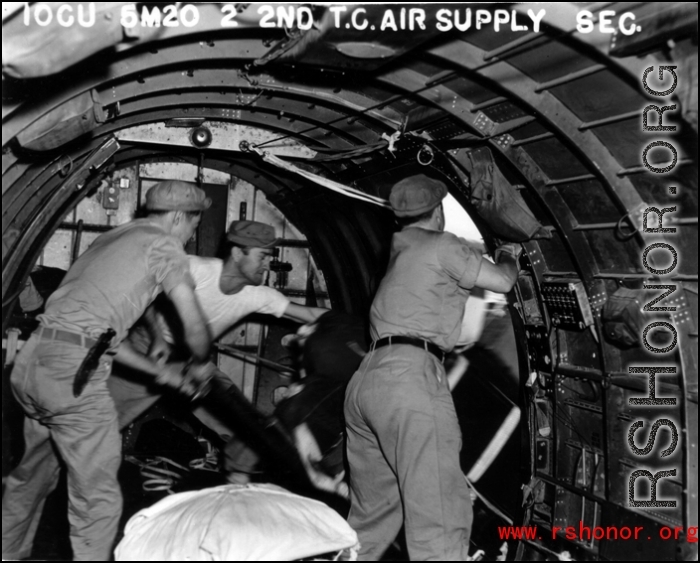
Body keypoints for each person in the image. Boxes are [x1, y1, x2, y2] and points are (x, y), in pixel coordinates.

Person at [1, 181, 214, 561]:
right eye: (193, 226)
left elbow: (94, 334)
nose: (190, 235)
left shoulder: (114, 238)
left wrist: (157, 360)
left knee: (31, 477)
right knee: (97, 499)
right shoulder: (166, 246)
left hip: (34, 363)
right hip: (73, 377)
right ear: (180, 217)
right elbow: (194, 326)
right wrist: (198, 364)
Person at [343, 174, 520, 561]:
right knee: (438, 511)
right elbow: (503, 282)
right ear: (438, 211)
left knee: (369, 518)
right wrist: (510, 253)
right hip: (410, 379)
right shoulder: (443, 245)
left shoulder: (398, 250)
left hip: (366, 382)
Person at [107, 220, 330, 455]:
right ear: (236, 252)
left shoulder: (259, 296)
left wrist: (355, 325)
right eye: (262, 256)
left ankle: (249, 471)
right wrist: (156, 336)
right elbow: (142, 294)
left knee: (241, 426)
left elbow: (309, 313)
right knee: (107, 422)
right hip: (149, 349)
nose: (268, 265)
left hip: (195, 362)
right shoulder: (196, 270)